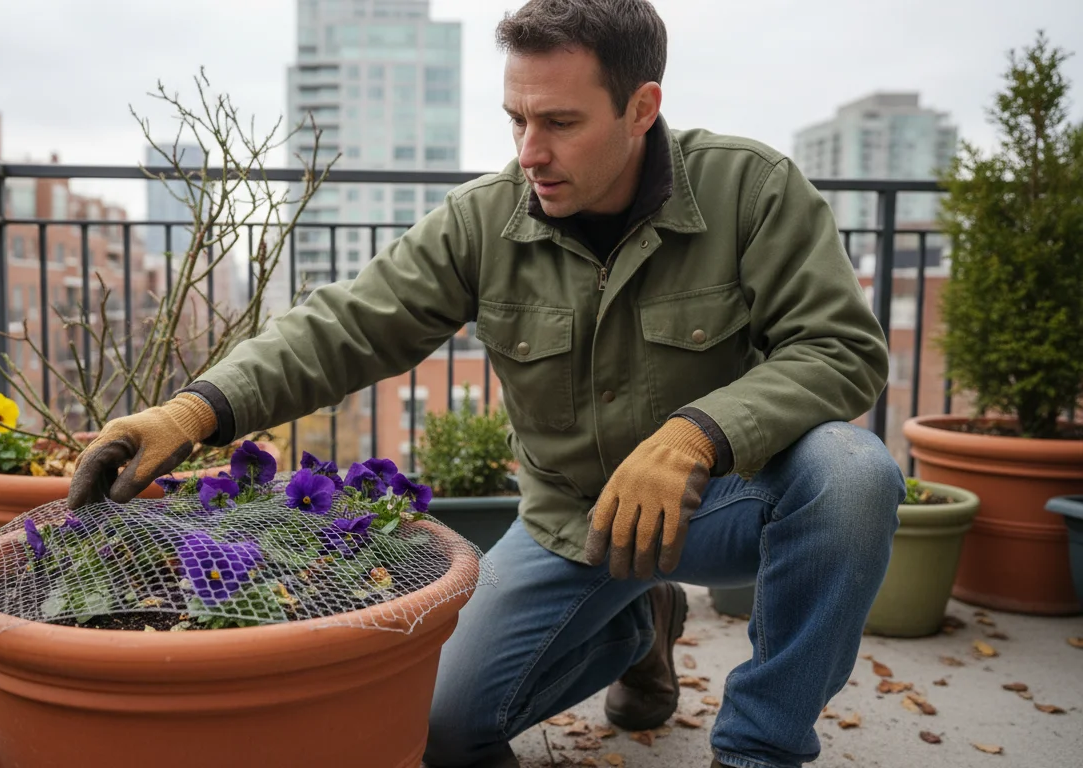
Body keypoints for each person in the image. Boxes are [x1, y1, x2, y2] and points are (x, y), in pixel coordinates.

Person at [66, 1, 906, 765]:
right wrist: (195, 409)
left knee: (853, 473)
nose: (529, 152)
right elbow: (348, 323)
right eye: (517, 119)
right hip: (573, 522)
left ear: (641, 109)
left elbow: (840, 350)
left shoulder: (751, 189)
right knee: (438, 730)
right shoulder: (484, 218)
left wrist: (694, 436)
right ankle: (637, 629)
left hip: (724, 499)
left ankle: (759, 750)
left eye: (560, 122)